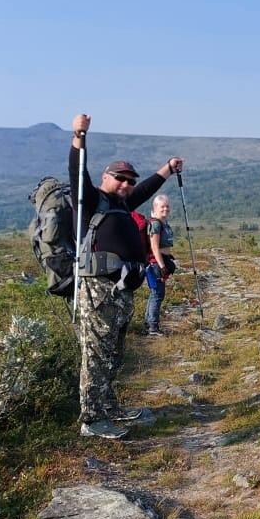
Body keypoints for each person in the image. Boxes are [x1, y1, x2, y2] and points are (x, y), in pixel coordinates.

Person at [69, 112, 183, 439]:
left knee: (115, 351)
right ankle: (91, 419)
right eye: (120, 178)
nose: (126, 184)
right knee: (96, 353)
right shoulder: (91, 201)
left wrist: (167, 168)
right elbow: (76, 171)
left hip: (122, 290)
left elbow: (147, 188)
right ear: (106, 177)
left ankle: (108, 406)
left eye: (130, 180)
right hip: (98, 288)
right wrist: (79, 135)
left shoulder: (123, 203)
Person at [143, 194, 176, 336]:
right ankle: (153, 327)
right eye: (162, 206)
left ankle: (148, 323)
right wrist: (162, 267)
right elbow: (154, 247)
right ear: (155, 208)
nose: (165, 209)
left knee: (156, 294)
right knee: (157, 294)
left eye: (167, 206)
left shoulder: (164, 223)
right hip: (156, 263)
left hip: (161, 261)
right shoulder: (156, 224)